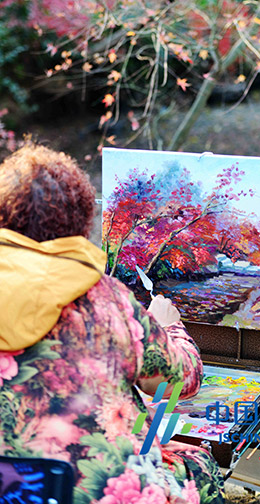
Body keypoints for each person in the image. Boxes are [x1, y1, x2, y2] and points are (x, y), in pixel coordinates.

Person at [0, 142, 225, 504]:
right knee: (197, 464)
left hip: (14, 492)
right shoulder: (103, 298)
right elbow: (180, 381)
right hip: (100, 490)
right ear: (80, 222)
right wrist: (169, 328)